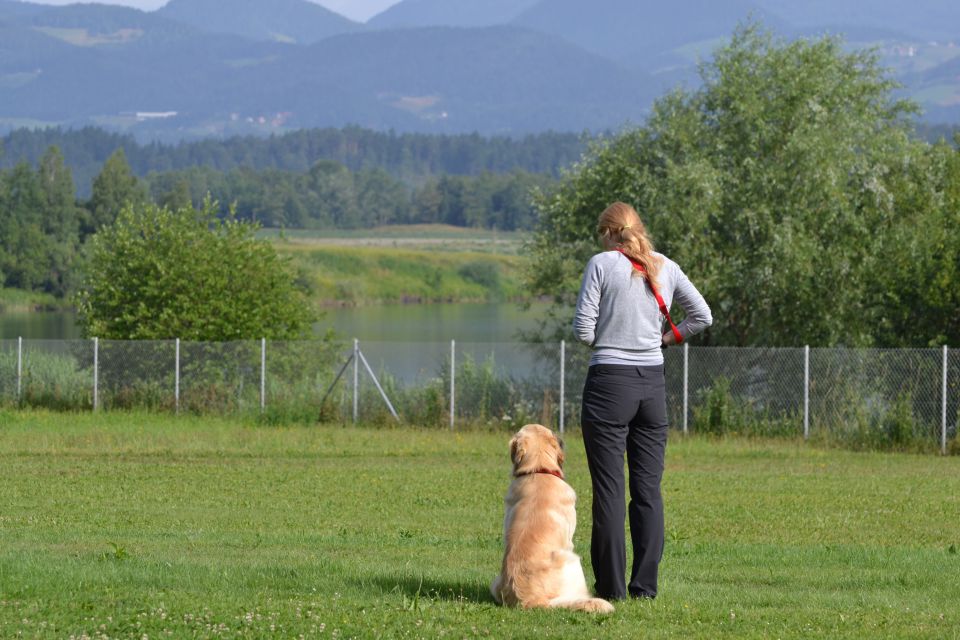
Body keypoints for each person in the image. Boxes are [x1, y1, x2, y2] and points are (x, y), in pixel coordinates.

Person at [573, 201, 712, 601]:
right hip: (652, 385)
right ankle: (645, 589)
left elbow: (584, 331)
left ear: (607, 233)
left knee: (610, 490)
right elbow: (702, 315)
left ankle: (611, 589)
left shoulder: (601, 264)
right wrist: (663, 339)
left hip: (608, 386)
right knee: (648, 491)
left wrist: (612, 339)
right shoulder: (666, 265)